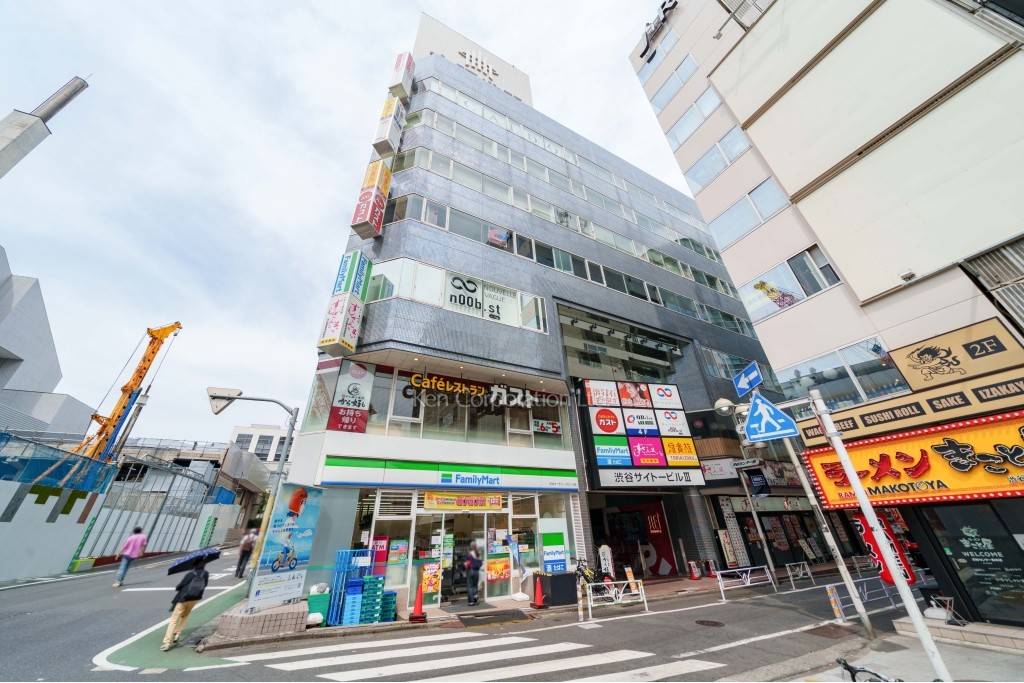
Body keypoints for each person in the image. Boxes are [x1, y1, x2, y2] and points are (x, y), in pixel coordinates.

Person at [162, 558, 209, 651]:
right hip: (194, 599)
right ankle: (178, 633)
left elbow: (180, 586)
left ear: (194, 565)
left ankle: (167, 642)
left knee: (174, 619)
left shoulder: (190, 574)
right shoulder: (205, 573)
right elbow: (205, 585)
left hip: (183, 599)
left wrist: (178, 587)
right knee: (185, 616)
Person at [465, 540, 483, 606]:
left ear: (471, 546)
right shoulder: (478, 553)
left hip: (470, 570)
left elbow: (467, 562)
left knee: (470, 586)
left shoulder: (469, 554)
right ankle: (475, 595)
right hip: (476, 571)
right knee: (475, 585)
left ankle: (471, 601)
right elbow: (481, 563)